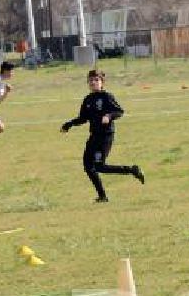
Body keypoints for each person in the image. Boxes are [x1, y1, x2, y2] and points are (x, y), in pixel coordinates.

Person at [60, 69, 145, 202]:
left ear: (102, 82)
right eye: (90, 80)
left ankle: (132, 170)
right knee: (88, 167)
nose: (93, 83)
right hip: (93, 136)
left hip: (105, 136)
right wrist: (69, 124)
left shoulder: (106, 97)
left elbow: (119, 111)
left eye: (96, 80)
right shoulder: (88, 99)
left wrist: (109, 115)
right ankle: (102, 196)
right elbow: (83, 118)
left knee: (99, 166)